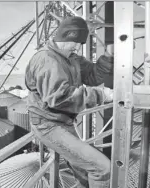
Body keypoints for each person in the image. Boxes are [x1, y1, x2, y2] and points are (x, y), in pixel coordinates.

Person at [25, 16, 114, 188]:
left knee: (85, 173)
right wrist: (103, 95)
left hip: (63, 122)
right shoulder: (47, 60)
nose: (78, 47)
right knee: (102, 168)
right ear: (66, 36)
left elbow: (92, 76)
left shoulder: (71, 58)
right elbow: (60, 98)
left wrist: (109, 56)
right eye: (76, 42)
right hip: (48, 124)